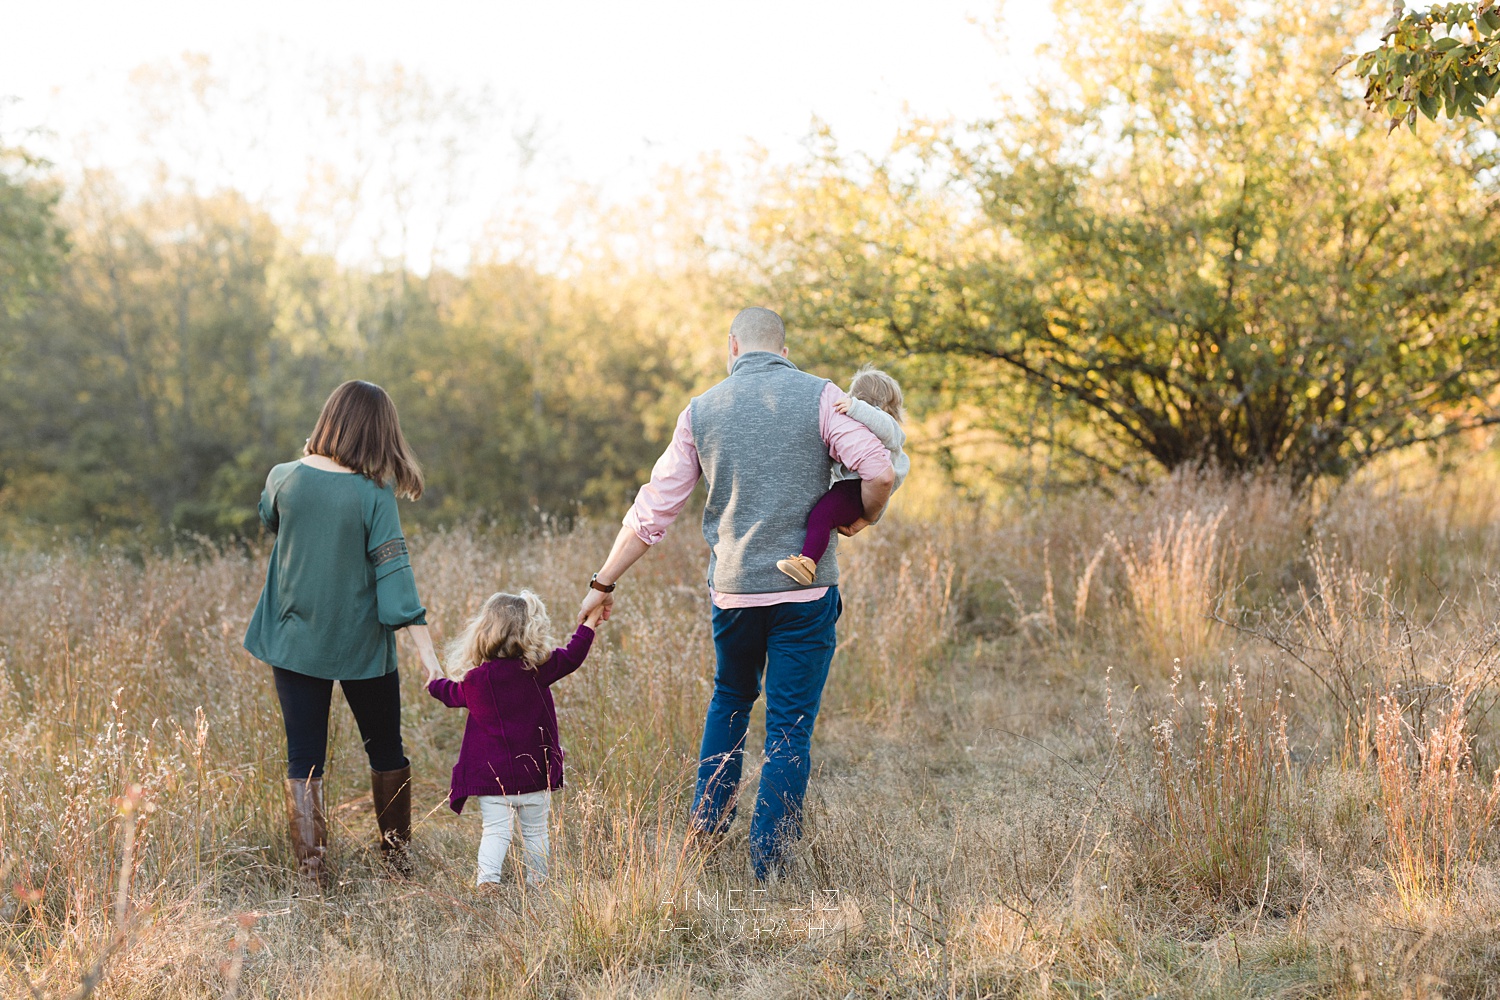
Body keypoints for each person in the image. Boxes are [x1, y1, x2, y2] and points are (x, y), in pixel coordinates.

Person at [577, 307, 896, 880]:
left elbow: (654, 510)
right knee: (789, 726)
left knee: (730, 701)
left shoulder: (701, 411)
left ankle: (705, 833)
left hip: (735, 593)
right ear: (783, 346)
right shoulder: (820, 397)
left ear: (732, 348)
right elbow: (879, 469)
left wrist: (602, 581)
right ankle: (769, 865)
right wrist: (863, 519)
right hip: (805, 594)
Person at [243, 380, 443, 886]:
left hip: (293, 642)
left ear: (330, 419)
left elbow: (271, 519)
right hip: (361, 649)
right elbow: (395, 574)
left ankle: (312, 879)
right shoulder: (373, 494)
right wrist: (428, 654)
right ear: (378, 434)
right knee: (385, 750)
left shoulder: (282, 478)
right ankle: (397, 865)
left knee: (304, 757)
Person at [428, 591, 605, 888]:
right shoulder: (537, 670)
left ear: (483, 632)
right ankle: (538, 885)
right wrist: (589, 623)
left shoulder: (475, 681)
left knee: (496, 831)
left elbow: (449, 693)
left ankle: (487, 883)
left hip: (493, 779)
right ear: (529, 631)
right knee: (536, 832)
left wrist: (433, 681)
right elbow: (574, 654)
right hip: (534, 774)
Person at [776, 365, 910, 585]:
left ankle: (807, 564)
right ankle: (807, 560)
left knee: (820, 517)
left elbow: (881, 424)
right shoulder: (871, 427)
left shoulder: (888, 426)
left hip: (855, 490)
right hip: (853, 489)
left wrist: (855, 407)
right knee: (821, 517)